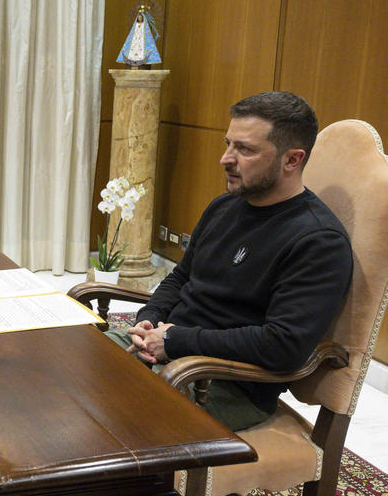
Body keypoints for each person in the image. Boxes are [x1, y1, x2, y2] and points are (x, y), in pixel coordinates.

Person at [112, 91, 353, 430]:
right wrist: (150, 320)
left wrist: (175, 340)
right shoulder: (224, 206)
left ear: (292, 160)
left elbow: (282, 345)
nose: (226, 158)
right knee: (68, 365)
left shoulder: (319, 241)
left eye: (245, 149)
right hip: (170, 353)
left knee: (102, 414)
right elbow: (181, 278)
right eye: (228, 144)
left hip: (225, 384)